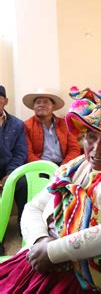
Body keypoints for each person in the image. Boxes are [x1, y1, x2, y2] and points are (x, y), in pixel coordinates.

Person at [0, 95, 101, 293]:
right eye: (91, 137)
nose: (96, 149)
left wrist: (53, 252)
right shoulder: (74, 167)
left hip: (82, 274)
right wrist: (40, 241)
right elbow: (34, 207)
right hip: (41, 254)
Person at [16, 89, 81, 224]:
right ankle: (24, 222)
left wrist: (64, 166)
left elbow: (74, 148)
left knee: (81, 178)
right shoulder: (26, 125)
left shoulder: (65, 124)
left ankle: (69, 220)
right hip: (38, 167)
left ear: (53, 106)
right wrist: (44, 168)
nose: (41, 104)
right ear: (33, 107)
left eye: (45, 102)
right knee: (22, 184)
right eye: (38, 102)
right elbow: (27, 152)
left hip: (63, 165)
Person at [0, 85, 28, 256]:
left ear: (5, 101)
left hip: (9, 170)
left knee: (23, 182)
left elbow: (20, 152)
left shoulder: (17, 124)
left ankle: (23, 227)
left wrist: (9, 175)